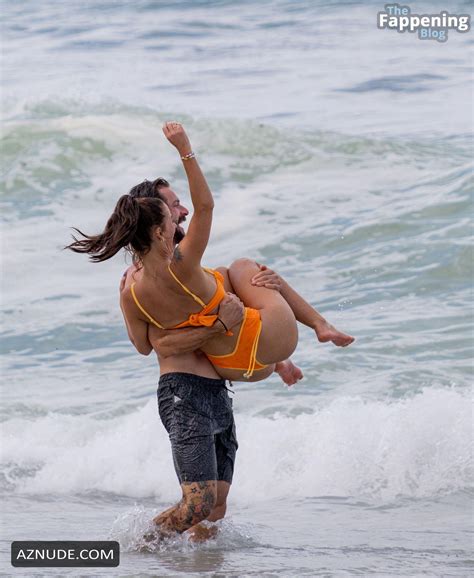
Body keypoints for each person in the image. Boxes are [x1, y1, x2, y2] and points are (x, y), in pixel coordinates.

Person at [66, 121, 354, 540]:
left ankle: (201, 567)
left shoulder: (143, 282)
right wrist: (185, 149)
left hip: (219, 386)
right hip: (183, 393)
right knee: (197, 503)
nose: (179, 215)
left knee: (214, 509)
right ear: (158, 227)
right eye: (171, 211)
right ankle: (142, 546)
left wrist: (219, 331)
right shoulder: (163, 272)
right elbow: (152, 346)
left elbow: (150, 343)